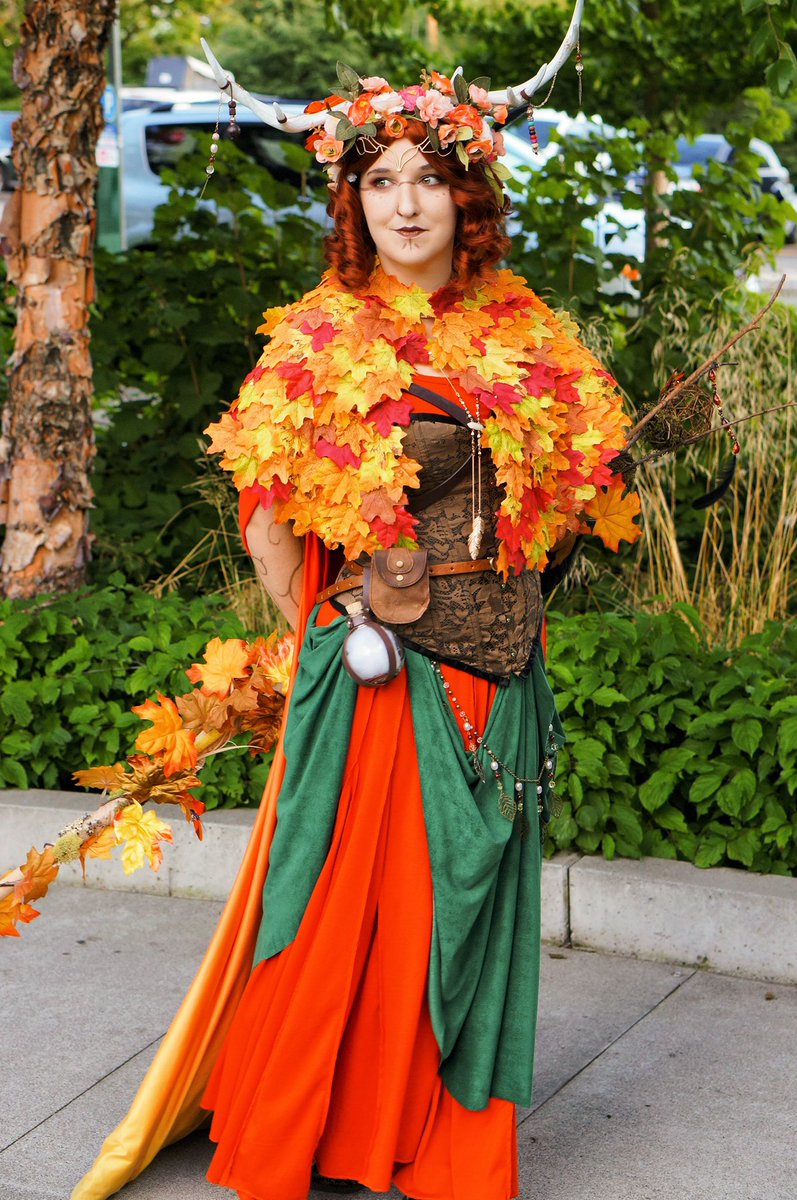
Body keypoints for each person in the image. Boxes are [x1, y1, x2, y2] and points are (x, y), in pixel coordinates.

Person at [72, 28, 638, 1200]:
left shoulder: (531, 337)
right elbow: (269, 520)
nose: (406, 204)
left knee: (463, 915)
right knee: (360, 911)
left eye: (428, 178)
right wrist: (335, 628)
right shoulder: (319, 338)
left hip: (498, 675)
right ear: (354, 201)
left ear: (466, 196)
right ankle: (326, 1132)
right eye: (381, 182)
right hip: (381, 676)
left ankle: (436, 1139)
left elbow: (577, 490)